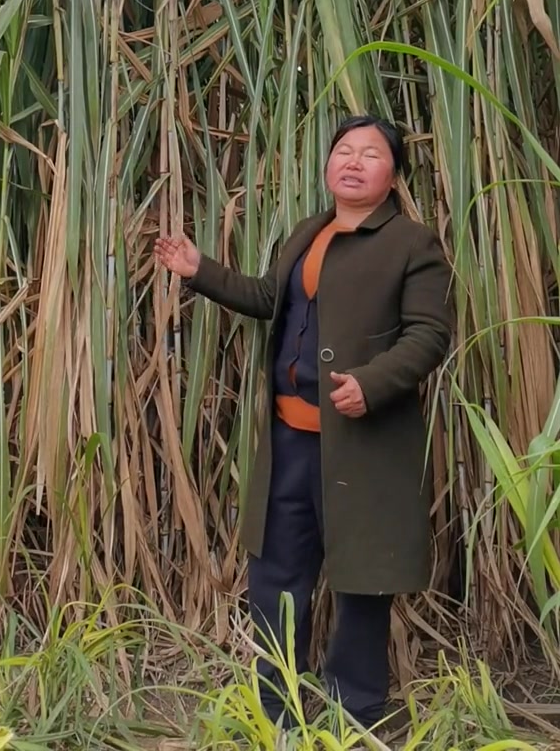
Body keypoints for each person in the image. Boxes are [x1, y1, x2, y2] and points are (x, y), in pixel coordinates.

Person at [154, 114, 454, 730]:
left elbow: (429, 334)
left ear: (393, 175)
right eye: (344, 150)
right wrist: (199, 269)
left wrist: (371, 383)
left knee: (361, 583)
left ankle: (354, 719)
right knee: (276, 577)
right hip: (291, 440)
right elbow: (271, 298)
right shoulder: (308, 231)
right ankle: (277, 712)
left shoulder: (412, 244)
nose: (353, 161)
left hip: (362, 445)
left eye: (371, 154)